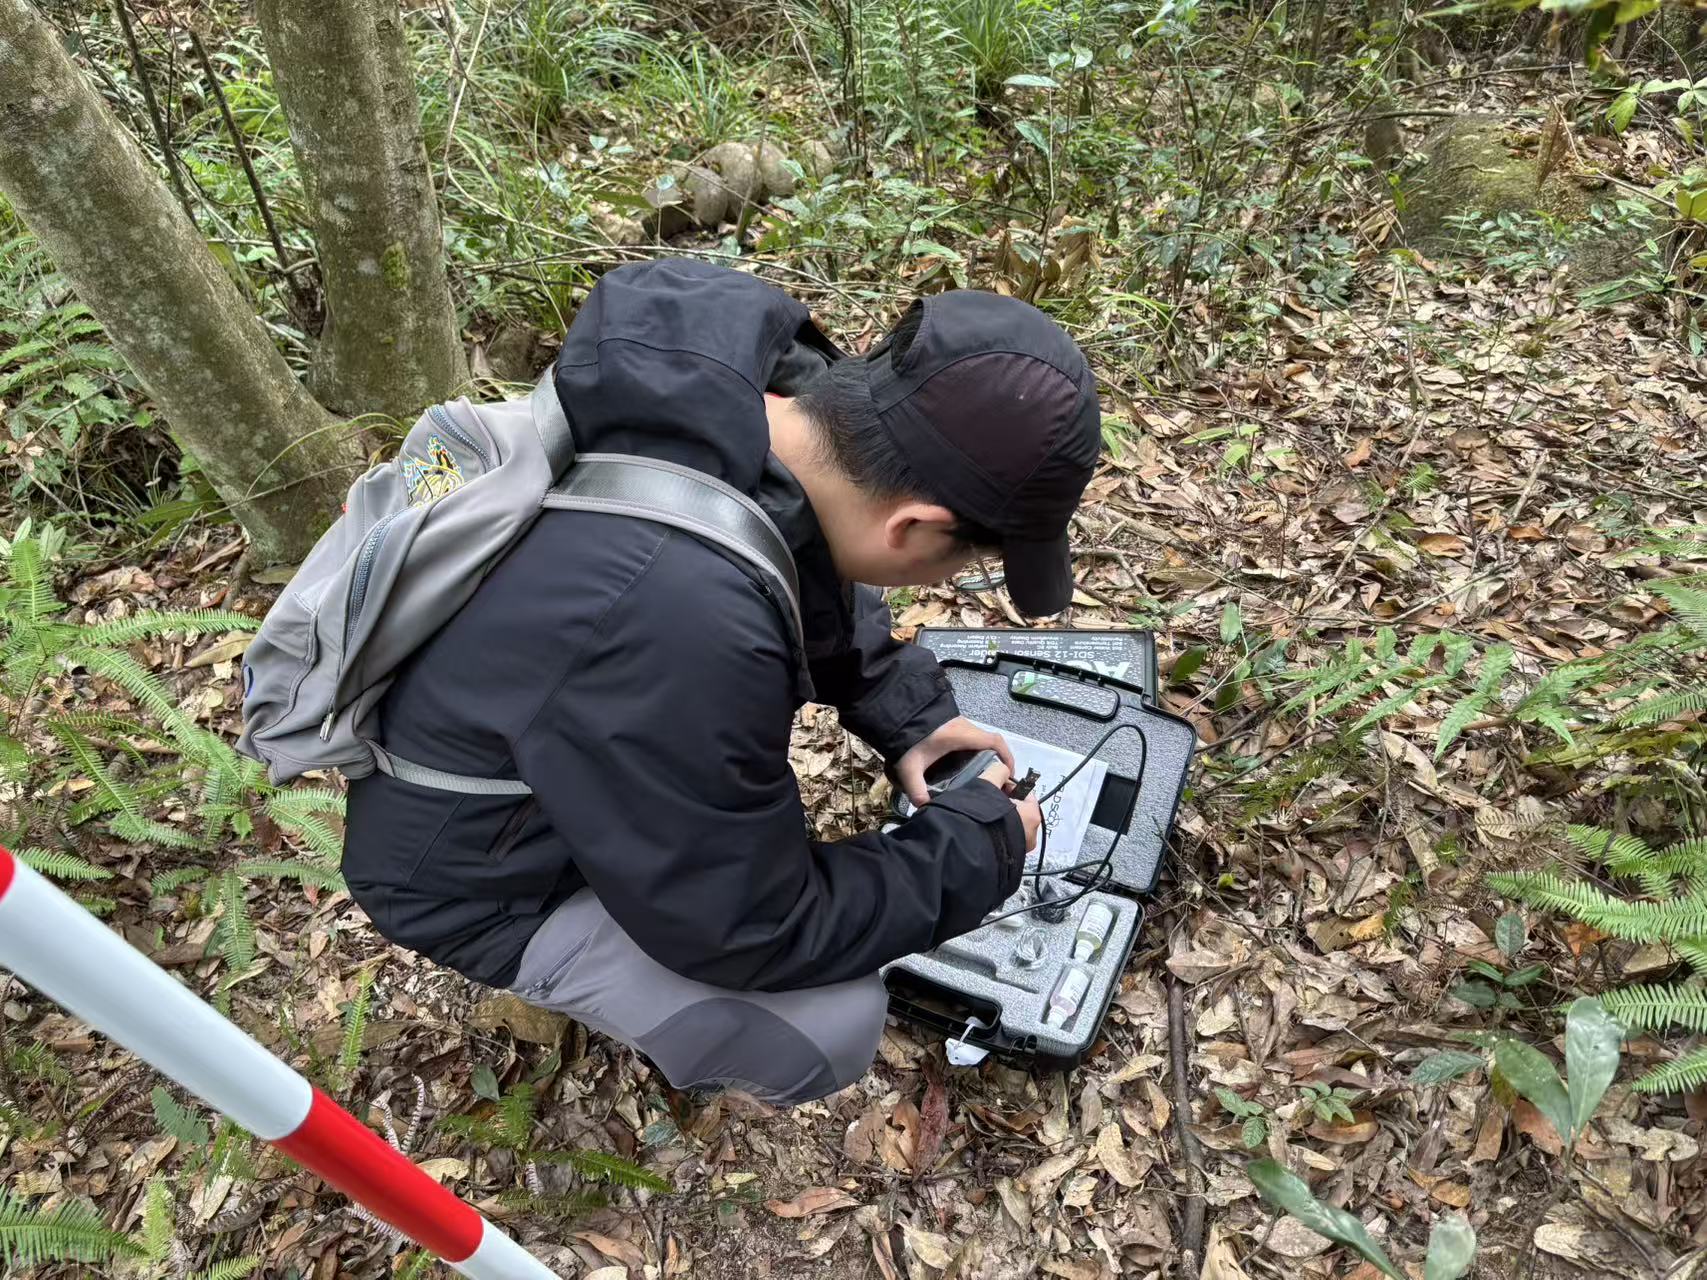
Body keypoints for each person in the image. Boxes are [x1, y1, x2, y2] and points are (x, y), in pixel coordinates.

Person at [342, 259, 1101, 1105]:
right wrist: (978, 847)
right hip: (482, 875)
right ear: (915, 527)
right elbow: (753, 929)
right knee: (830, 1025)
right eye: (967, 561)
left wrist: (902, 707)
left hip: (547, 741)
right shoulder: (677, 623)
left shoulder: (752, 399)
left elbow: (796, 543)